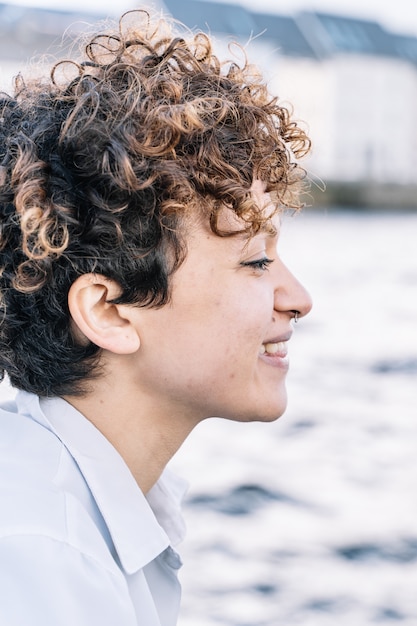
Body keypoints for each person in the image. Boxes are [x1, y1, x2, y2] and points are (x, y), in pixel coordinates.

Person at [0, 8, 312, 626]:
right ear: (108, 312)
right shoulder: (41, 555)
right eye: (254, 261)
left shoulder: (62, 496)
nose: (299, 297)